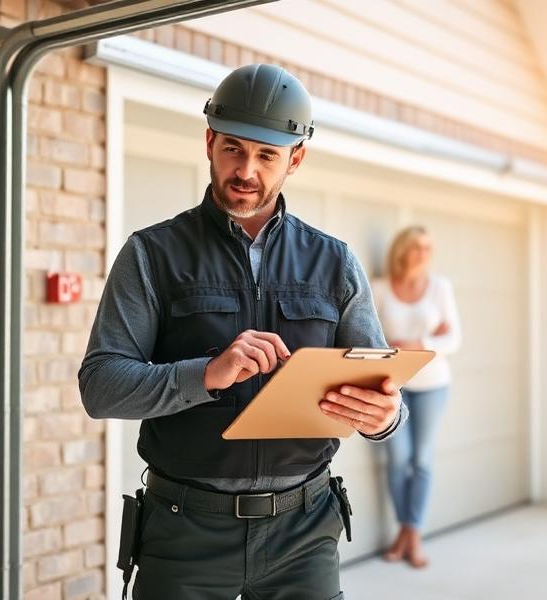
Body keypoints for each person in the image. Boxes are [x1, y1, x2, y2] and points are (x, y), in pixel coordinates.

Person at [78, 64, 407, 600]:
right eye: (233, 148)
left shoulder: (335, 263)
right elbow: (100, 387)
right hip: (183, 532)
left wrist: (386, 417)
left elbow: (378, 385)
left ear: (295, 159)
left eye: (267, 155)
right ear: (208, 141)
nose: (246, 169)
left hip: (305, 532)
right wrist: (206, 374)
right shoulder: (151, 255)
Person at [371, 226, 462, 569]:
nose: (424, 253)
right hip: (393, 386)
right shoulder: (380, 288)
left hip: (433, 386)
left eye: (428, 247)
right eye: (417, 247)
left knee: (421, 461)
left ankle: (411, 533)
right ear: (402, 251)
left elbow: (454, 340)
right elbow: (372, 336)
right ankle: (405, 531)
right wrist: (421, 339)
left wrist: (418, 344)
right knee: (398, 460)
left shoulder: (440, 288)